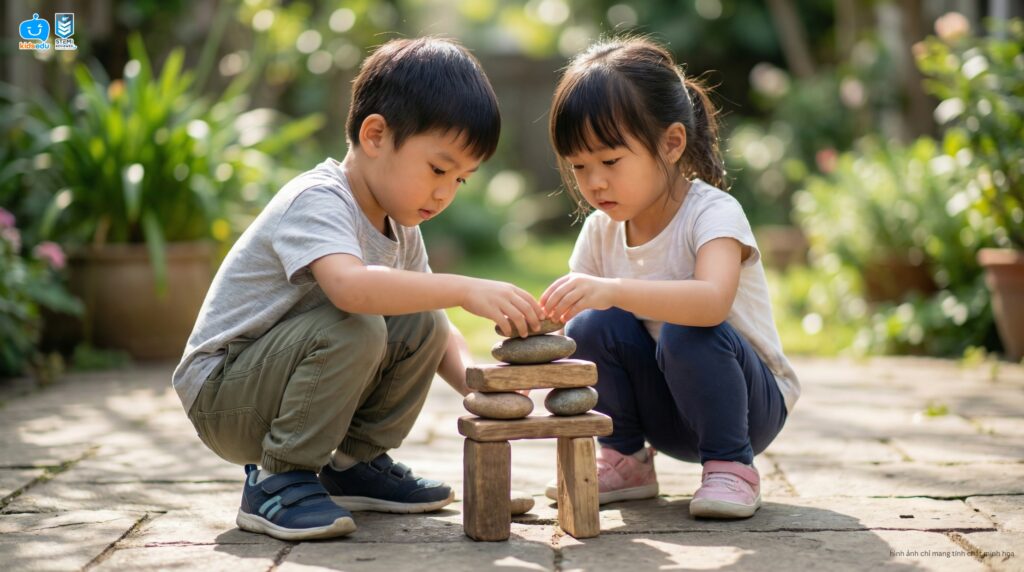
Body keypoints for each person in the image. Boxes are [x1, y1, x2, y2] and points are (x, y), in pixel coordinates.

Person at [172, 37, 545, 541]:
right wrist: (464, 288)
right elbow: (350, 289)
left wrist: (485, 389)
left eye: (460, 180)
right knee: (358, 325)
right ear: (375, 135)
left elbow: (433, 324)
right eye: (438, 169)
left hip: (280, 381)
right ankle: (276, 480)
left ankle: (353, 465)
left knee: (425, 318)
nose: (444, 192)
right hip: (224, 395)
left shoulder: (400, 225)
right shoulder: (318, 199)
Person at [539, 36, 799, 519]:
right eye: (580, 166)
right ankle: (625, 459)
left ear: (671, 143)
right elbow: (573, 323)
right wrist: (535, 324)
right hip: (666, 411)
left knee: (686, 325)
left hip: (746, 406)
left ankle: (732, 466)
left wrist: (612, 290)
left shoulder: (713, 213)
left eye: (611, 161)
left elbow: (712, 302)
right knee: (591, 325)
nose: (595, 182)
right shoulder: (601, 230)